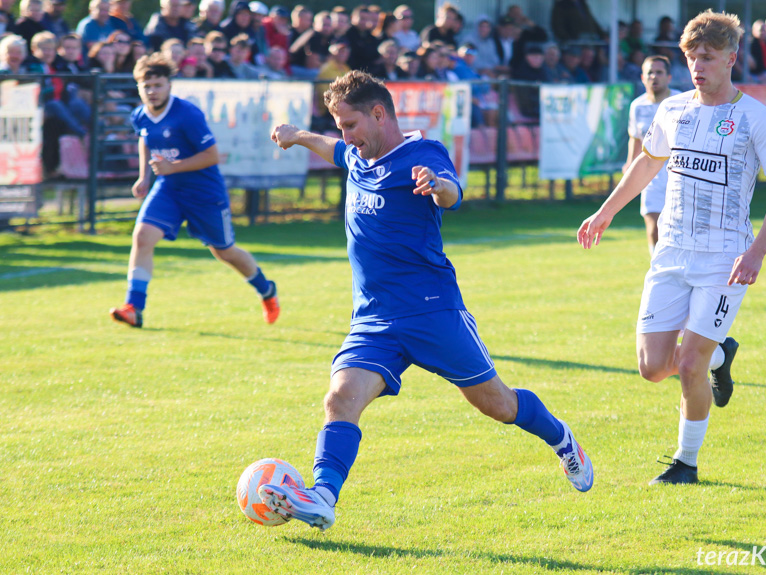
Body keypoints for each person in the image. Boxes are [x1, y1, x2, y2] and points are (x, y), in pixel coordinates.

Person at [257, 70, 594, 532]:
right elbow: (332, 149)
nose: (345, 136)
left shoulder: (423, 154)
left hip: (432, 311)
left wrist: (437, 185)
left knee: (498, 405)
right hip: (373, 316)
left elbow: (453, 193)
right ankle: (322, 496)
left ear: (379, 114)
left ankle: (562, 440)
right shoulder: (358, 154)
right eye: (339, 125)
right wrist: (298, 136)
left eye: (351, 124)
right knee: (339, 399)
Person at [577, 10, 766, 485]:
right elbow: (645, 166)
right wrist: (606, 211)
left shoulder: (756, 117)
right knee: (653, 368)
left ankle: (686, 462)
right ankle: (721, 355)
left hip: (724, 258)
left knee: (690, 363)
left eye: (708, 57)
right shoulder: (672, 110)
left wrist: (756, 251)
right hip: (671, 252)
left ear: (731, 59)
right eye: (692, 57)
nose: (698, 66)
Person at [109, 53, 280, 328]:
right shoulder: (139, 115)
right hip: (168, 189)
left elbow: (212, 156)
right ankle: (133, 308)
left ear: (169, 85)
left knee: (224, 251)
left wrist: (171, 167)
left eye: (158, 85)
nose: (152, 91)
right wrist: (144, 177)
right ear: (138, 87)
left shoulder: (187, 114)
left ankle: (266, 290)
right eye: (146, 86)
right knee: (141, 237)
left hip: (204, 193)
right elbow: (145, 140)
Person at [623, 55, 678, 254]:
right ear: (642, 78)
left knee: (675, 228)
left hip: (678, 173)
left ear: (669, 77)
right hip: (651, 175)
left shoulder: (681, 102)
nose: (654, 77)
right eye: (650, 73)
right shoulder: (637, 106)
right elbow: (635, 137)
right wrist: (630, 163)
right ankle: (656, 265)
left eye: (659, 72)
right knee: (654, 227)